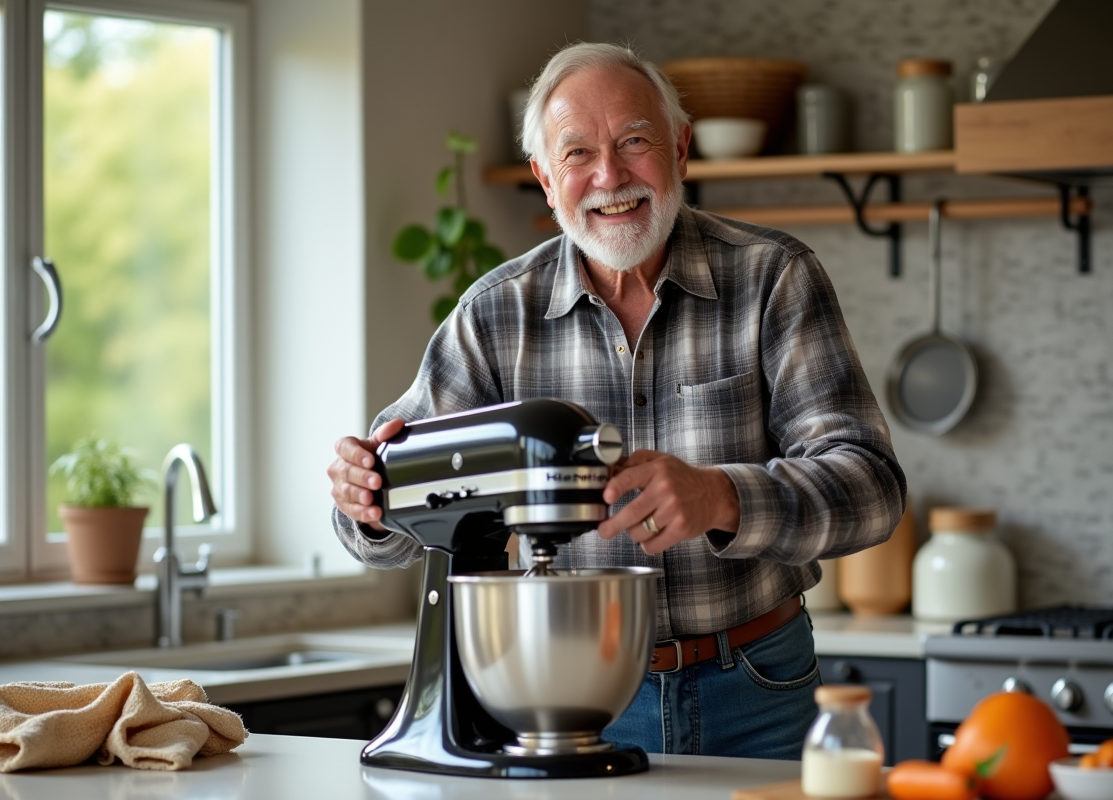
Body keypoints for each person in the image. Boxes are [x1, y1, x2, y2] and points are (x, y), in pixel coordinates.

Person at [328, 42, 906, 760]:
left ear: (681, 150)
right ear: (545, 178)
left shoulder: (773, 280)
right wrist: (366, 498)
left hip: (758, 688)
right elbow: (379, 522)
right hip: (563, 696)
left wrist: (723, 496)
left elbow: (874, 489)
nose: (610, 176)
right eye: (577, 154)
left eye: (635, 142)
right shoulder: (493, 316)